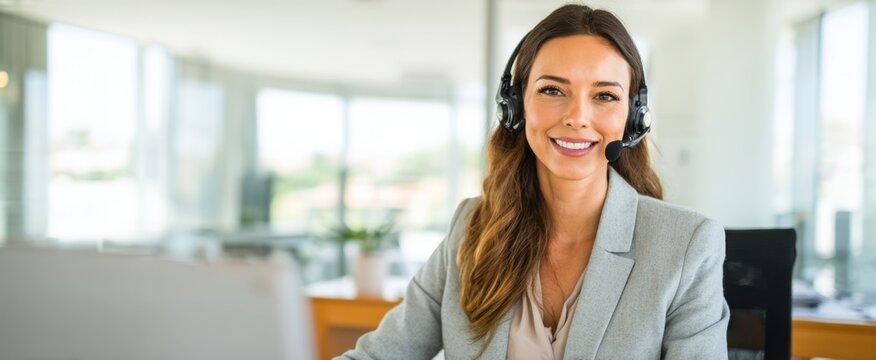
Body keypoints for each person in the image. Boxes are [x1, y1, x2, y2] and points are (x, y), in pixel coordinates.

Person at [338, 4, 729, 359]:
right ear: (515, 104)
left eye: (605, 96)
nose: (578, 116)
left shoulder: (687, 245)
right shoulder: (473, 227)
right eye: (552, 90)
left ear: (632, 117)